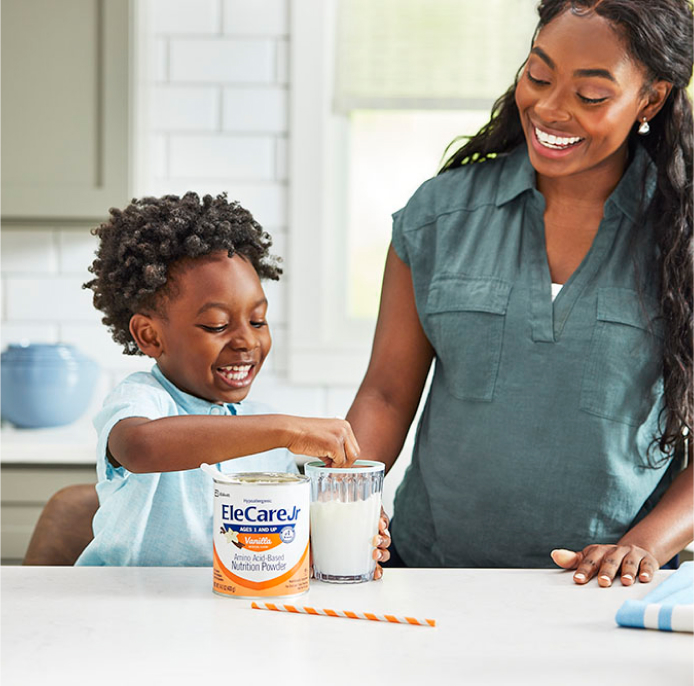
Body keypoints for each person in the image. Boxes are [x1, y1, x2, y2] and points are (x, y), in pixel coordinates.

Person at [346, 0, 693, 586]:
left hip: (609, 594)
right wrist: (337, 508)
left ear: (651, 101)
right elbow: (383, 396)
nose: (550, 109)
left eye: (590, 96)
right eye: (538, 75)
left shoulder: (680, 239)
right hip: (430, 576)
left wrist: (641, 547)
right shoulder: (439, 215)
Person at [76, 192, 389, 568]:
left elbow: (282, 542)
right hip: (123, 604)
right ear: (150, 336)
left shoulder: (266, 434)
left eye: (258, 321)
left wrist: (344, 536)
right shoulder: (143, 400)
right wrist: (285, 430)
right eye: (217, 325)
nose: (246, 341)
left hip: (222, 610)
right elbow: (141, 449)